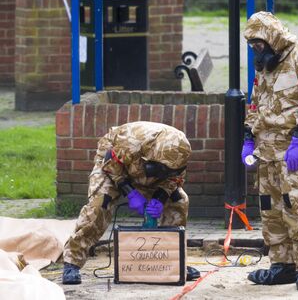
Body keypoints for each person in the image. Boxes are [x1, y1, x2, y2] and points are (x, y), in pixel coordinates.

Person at [241, 11, 298, 291]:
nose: (256, 50)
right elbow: (255, 102)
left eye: (259, 44)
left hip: (291, 148)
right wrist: (248, 138)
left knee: (295, 205)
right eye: (252, 46)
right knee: (270, 208)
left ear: (272, 38)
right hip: (265, 149)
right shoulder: (264, 65)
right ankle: (281, 266)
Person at [62, 121, 200, 284]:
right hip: (111, 165)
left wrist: (160, 198)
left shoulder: (180, 154)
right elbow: (111, 165)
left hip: (144, 170)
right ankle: (72, 262)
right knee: (101, 204)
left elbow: (174, 178)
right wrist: (130, 192)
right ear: (153, 155)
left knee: (179, 201)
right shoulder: (131, 141)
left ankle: (173, 262)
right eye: (163, 167)